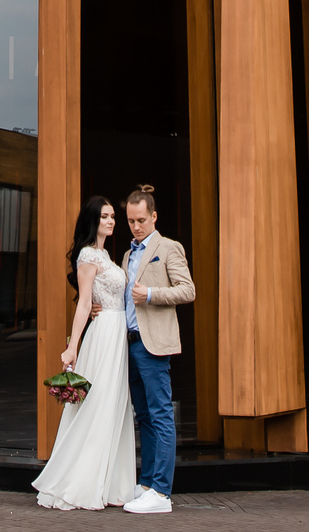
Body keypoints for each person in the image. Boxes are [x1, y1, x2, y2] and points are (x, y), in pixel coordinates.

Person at [31, 196, 137, 511]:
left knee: (114, 406)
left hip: (116, 334)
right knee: (99, 406)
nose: (111, 221)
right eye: (105, 216)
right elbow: (84, 302)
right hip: (104, 335)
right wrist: (72, 345)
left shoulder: (105, 254)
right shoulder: (88, 255)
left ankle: (109, 484)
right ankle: (80, 481)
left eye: (113, 216)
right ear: (93, 220)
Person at [119, 184, 192, 515]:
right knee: (144, 416)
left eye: (141, 221)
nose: (136, 227)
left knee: (161, 414)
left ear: (154, 217)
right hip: (129, 343)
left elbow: (187, 291)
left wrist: (149, 294)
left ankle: (161, 492)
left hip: (154, 345)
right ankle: (146, 483)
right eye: (131, 221)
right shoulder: (127, 253)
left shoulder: (168, 247)